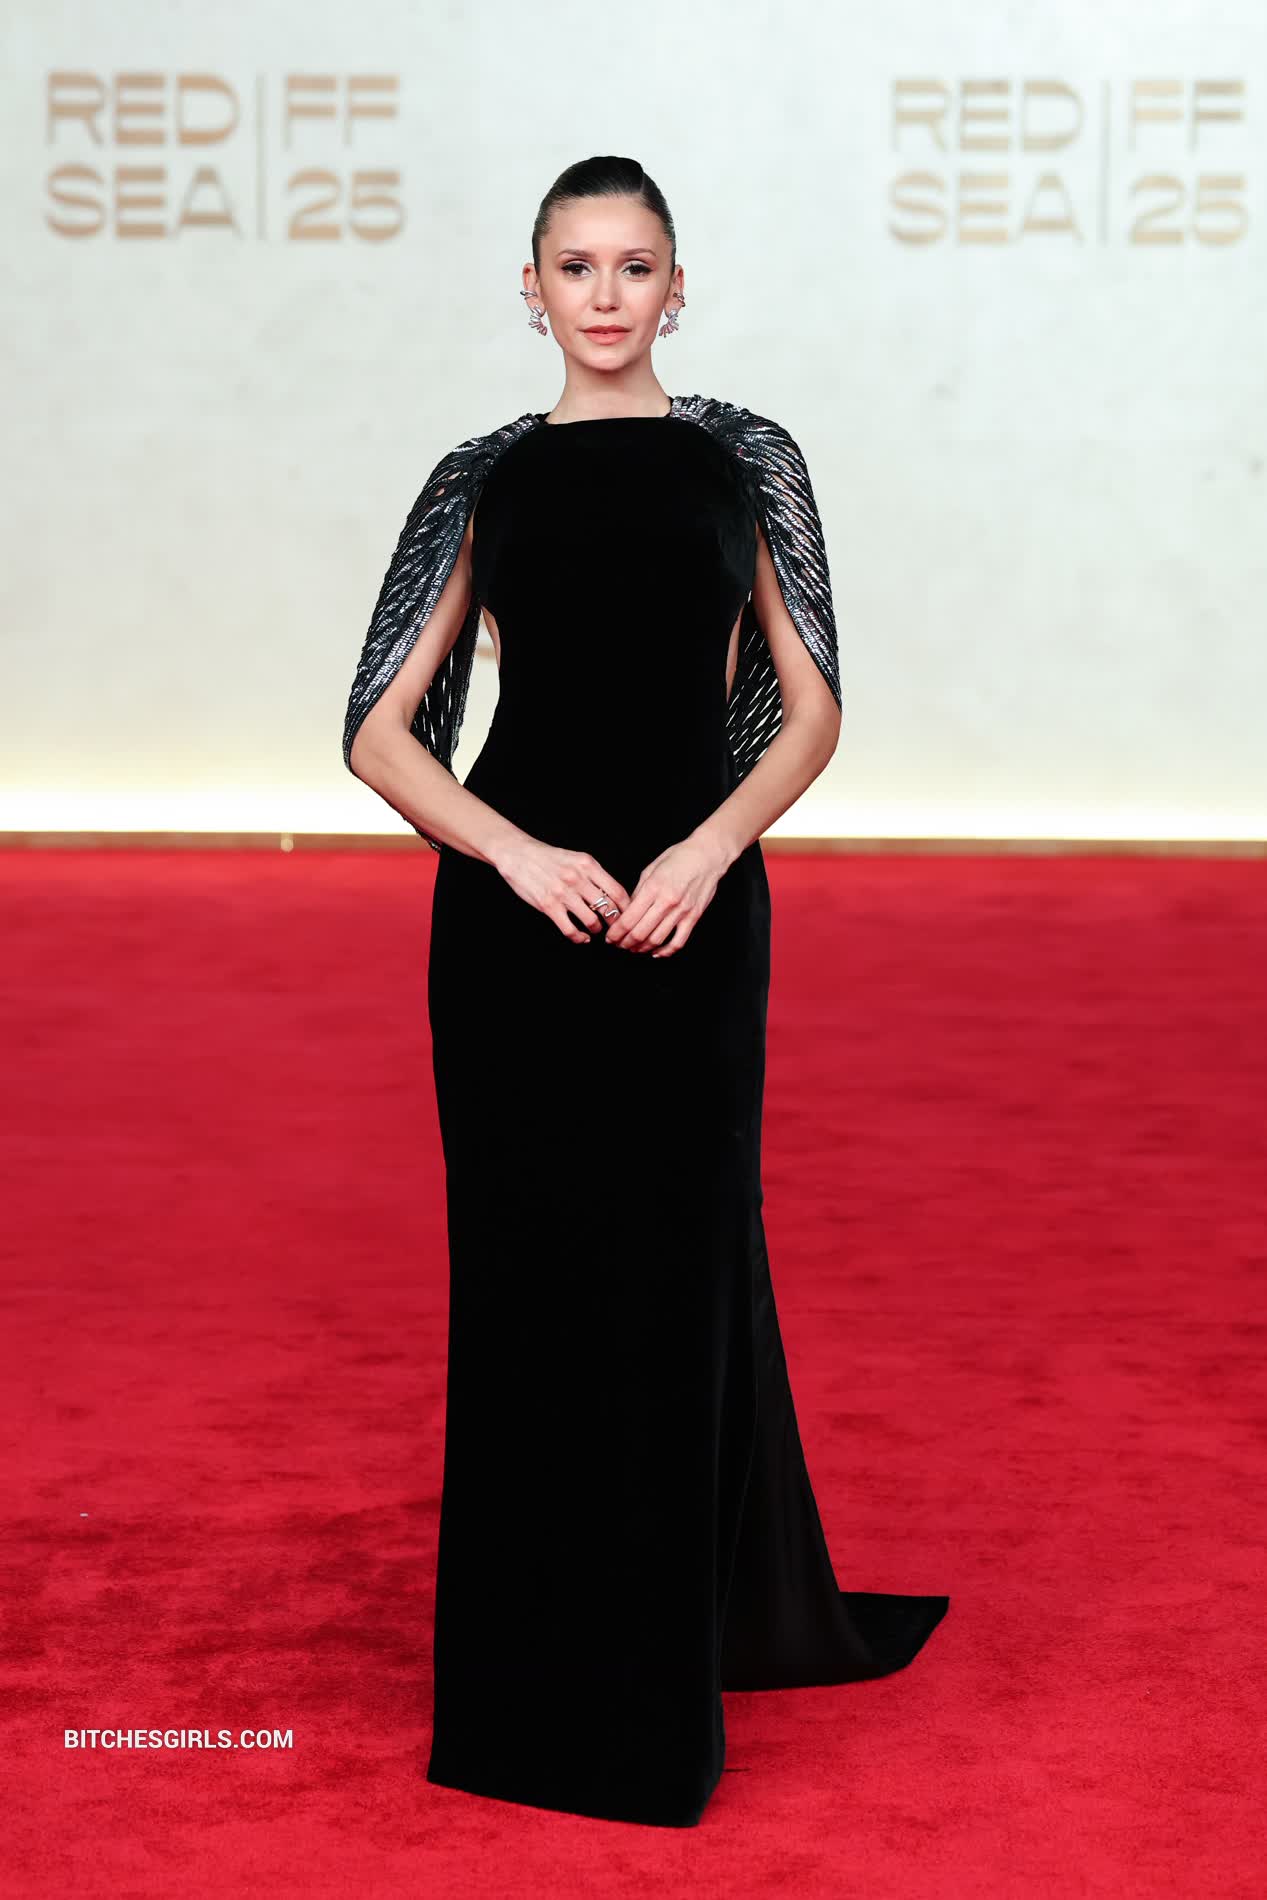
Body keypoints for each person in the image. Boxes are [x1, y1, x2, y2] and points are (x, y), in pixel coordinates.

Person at [341, 155, 949, 1829]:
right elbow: (378, 733)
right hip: (515, 942)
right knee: (528, 1288)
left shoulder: (746, 463)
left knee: (677, 1275)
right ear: (529, 288)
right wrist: (514, 857)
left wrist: (707, 848)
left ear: (678, 289)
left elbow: (812, 711)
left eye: (634, 267)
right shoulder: (482, 481)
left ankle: (657, 1699)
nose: (604, 295)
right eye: (575, 266)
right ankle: (527, 1703)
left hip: (697, 916)